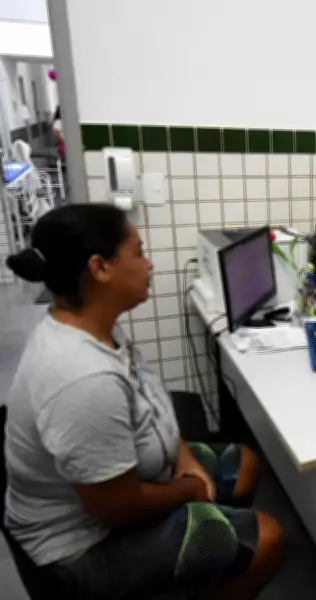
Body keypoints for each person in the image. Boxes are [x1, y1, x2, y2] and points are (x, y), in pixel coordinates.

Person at [3, 205, 283, 600]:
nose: (149, 264)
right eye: (138, 252)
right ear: (100, 268)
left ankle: (203, 566)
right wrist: (189, 490)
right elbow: (114, 507)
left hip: (127, 486)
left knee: (245, 465)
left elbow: (151, 405)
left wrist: (184, 460)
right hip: (85, 547)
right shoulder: (80, 377)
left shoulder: (92, 325)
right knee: (267, 539)